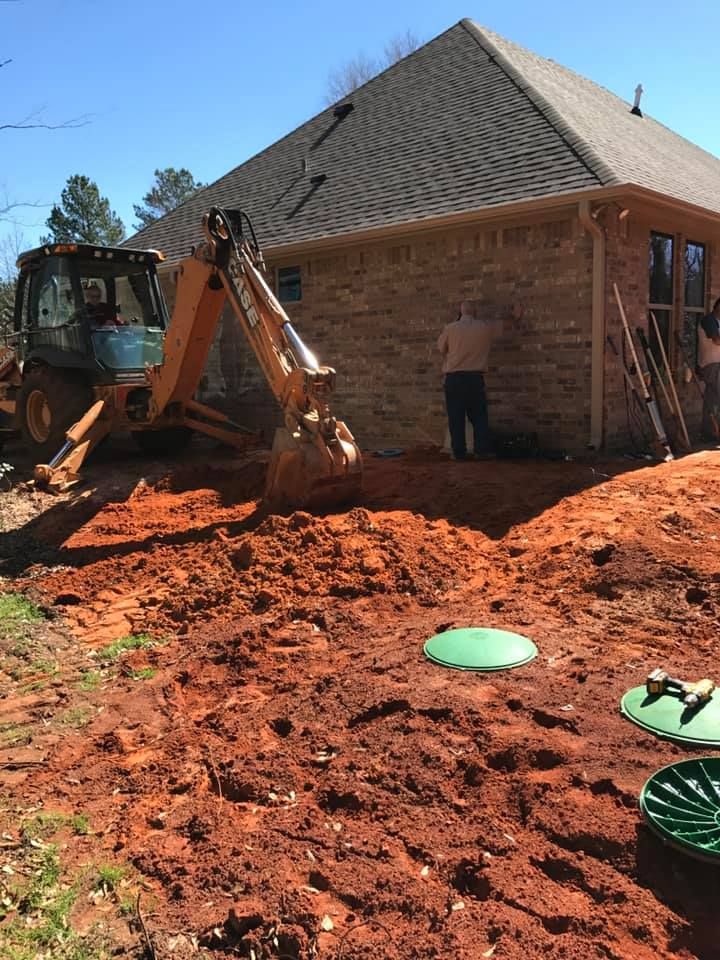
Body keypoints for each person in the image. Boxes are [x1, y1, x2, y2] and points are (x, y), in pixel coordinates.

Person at [437, 299, 499, 461]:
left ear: (460, 312)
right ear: (475, 312)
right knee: (479, 416)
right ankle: (482, 450)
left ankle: (459, 453)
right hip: (475, 378)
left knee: (456, 417)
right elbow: (500, 328)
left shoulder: (451, 328)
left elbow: (441, 348)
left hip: (455, 379)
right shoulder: (484, 328)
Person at [699, 297, 720, 441]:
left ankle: (711, 432)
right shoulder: (708, 320)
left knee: (712, 399)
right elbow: (717, 340)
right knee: (714, 399)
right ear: (717, 306)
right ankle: (710, 432)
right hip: (711, 365)